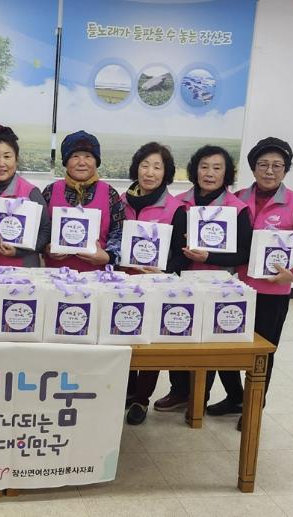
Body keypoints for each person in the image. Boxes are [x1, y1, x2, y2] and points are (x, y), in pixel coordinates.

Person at [213, 137, 293, 430]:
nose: (269, 171)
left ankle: (254, 406)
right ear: (253, 167)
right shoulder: (237, 198)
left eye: (277, 165)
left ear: (285, 169)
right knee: (225, 346)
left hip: (273, 293)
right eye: (263, 164)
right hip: (236, 289)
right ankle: (236, 397)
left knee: (262, 354)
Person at [153, 145, 253, 416]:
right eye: (204, 166)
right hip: (180, 282)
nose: (210, 173)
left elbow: (244, 252)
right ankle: (178, 391)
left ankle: (199, 398)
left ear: (226, 173)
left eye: (217, 168)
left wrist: (209, 255)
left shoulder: (237, 209)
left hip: (217, 286)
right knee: (175, 332)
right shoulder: (180, 203)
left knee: (207, 343)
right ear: (195, 170)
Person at [120, 142, 188, 425]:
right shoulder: (121, 202)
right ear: (136, 168)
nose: (149, 172)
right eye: (145, 165)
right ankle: (125, 390)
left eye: (157, 167)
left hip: (156, 285)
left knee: (149, 340)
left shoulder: (176, 209)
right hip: (121, 283)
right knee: (122, 334)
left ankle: (141, 399)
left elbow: (181, 256)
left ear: (166, 173)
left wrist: (164, 269)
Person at [42, 130, 124, 271]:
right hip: (55, 276)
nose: (81, 163)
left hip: (98, 277)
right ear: (66, 161)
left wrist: (107, 257)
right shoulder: (50, 191)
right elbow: (40, 231)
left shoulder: (110, 194)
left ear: (96, 162)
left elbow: (119, 233)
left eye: (88, 156)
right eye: (75, 156)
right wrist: (47, 248)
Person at [0, 124, 51, 266]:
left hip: (23, 269)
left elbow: (45, 231)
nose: (1, 163)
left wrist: (18, 251)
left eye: (7, 156)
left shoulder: (30, 192)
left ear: (16, 159)